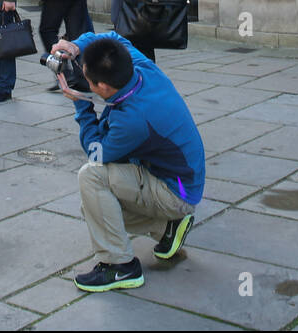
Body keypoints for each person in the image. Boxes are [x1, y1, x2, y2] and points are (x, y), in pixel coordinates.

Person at [49, 31, 204, 292]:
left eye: (88, 80)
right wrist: (75, 47)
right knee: (93, 210)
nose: (84, 81)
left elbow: (96, 152)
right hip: (183, 181)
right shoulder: (138, 66)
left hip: (175, 192)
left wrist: (81, 104)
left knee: (91, 177)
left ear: (104, 88)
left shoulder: (133, 119)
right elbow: (113, 38)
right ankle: (167, 227)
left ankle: (119, 266)